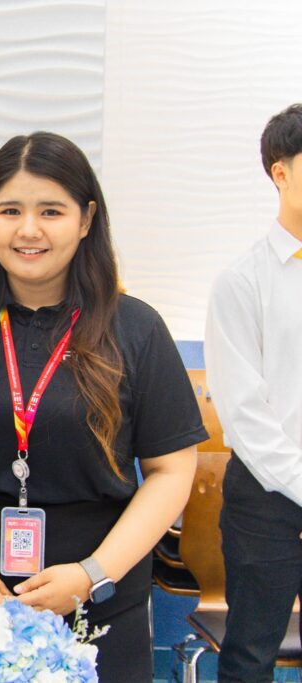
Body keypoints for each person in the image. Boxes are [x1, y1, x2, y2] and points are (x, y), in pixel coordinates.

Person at [0, 132, 207, 682]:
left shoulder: (136, 329)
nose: (29, 230)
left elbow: (171, 471)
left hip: (98, 598)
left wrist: (92, 575)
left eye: (51, 211)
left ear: (86, 219)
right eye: (10, 210)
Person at [205, 103, 302, 683]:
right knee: (250, 655)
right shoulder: (242, 281)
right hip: (267, 499)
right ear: (280, 173)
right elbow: (243, 413)